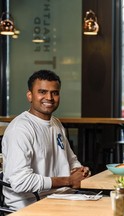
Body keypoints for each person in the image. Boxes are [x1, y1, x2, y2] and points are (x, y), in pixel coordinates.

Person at [2, 70, 91, 210]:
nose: (49, 97)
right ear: (30, 96)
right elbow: (20, 182)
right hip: (31, 205)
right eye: (42, 92)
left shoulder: (56, 123)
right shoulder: (20, 129)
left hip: (64, 198)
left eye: (54, 93)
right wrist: (68, 180)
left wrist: (79, 171)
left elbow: (71, 159)